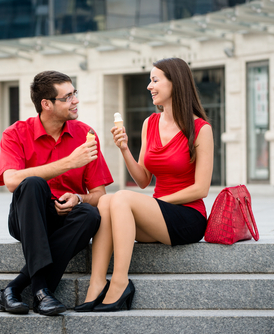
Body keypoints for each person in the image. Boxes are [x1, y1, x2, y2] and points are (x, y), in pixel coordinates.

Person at [76, 58, 214, 312]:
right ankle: (96, 284)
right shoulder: (150, 123)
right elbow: (142, 180)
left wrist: (158, 203)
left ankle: (119, 283)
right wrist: (124, 148)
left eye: (155, 80)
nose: (149, 86)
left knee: (120, 198)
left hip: (187, 216)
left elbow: (201, 189)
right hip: (157, 214)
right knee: (106, 200)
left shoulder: (200, 129)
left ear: (176, 83)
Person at [0, 70, 113, 316]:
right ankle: (40, 290)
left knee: (90, 215)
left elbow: (100, 193)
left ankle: (13, 289)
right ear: (46, 104)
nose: (75, 101)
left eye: (74, 93)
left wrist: (78, 198)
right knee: (33, 183)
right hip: (27, 217)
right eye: (67, 97)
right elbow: (11, 181)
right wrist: (69, 162)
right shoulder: (15, 133)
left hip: (64, 220)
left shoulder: (85, 134)